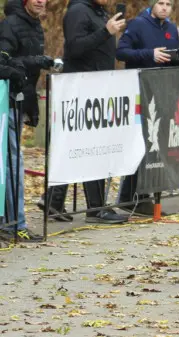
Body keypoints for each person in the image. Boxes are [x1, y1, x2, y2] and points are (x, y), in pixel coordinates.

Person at [38, 0, 130, 225]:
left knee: (76, 146)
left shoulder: (98, 11)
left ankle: (54, 202)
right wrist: (105, 32)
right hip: (82, 89)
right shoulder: (79, 10)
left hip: (96, 88)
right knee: (91, 147)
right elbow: (75, 47)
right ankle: (96, 209)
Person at [115, 0, 179, 216]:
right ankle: (131, 197)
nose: (164, 7)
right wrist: (149, 54)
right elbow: (121, 52)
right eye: (160, 3)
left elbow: (174, 56)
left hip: (162, 93)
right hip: (138, 93)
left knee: (155, 145)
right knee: (141, 144)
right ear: (153, 5)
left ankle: (137, 196)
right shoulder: (138, 24)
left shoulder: (171, 29)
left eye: (169, 4)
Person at [0, 0, 55, 242]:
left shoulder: (34, 24)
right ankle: (16, 225)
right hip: (7, 103)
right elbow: (4, 63)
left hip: (21, 100)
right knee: (13, 164)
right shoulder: (10, 24)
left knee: (11, 164)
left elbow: (23, 64)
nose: (41, 0)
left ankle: (9, 222)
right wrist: (37, 62)